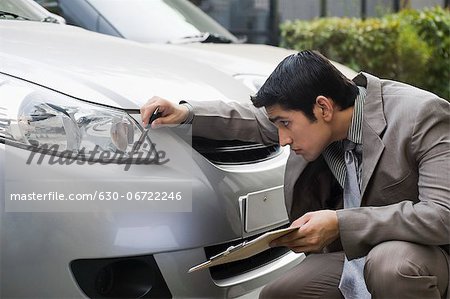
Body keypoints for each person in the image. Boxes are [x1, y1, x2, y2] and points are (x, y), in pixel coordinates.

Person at [140, 50, 449, 298]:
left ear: (324, 108)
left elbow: (442, 215)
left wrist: (340, 223)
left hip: (423, 255)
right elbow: (256, 120)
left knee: (390, 266)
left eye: (285, 124)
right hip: (357, 254)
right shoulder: (320, 114)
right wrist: (186, 113)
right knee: (281, 292)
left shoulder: (422, 117)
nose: (282, 139)